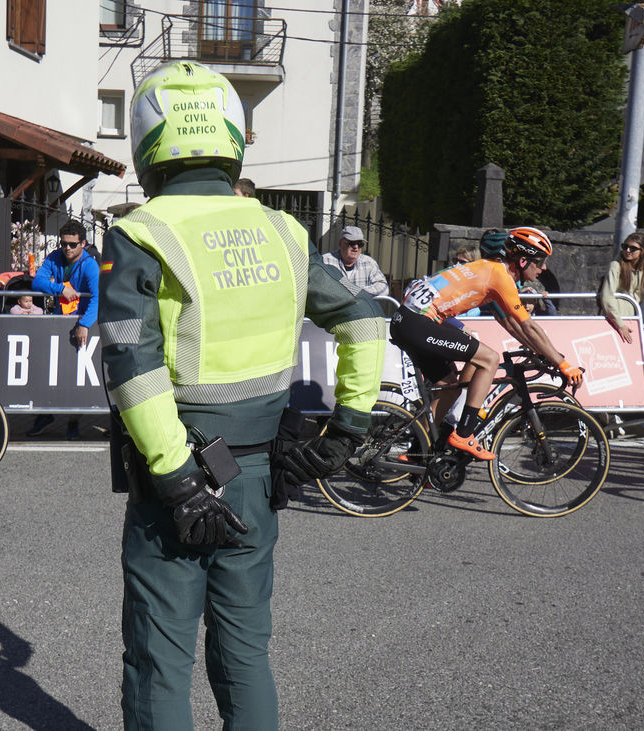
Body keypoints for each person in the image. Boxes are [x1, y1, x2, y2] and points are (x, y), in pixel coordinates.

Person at [99, 61, 385, 730]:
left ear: (149, 144)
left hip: (176, 478)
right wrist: (343, 432)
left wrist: (175, 478)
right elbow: (366, 318)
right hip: (257, 473)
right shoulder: (284, 232)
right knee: (245, 650)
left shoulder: (142, 232)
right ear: (232, 138)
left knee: (158, 661)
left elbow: (129, 364)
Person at [390, 226, 583, 461]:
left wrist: (540, 352)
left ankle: (416, 452)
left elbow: (511, 325)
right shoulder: (500, 277)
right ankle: (464, 434)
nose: (543, 268)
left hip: (407, 321)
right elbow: (529, 326)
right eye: (539, 261)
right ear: (523, 261)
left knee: (449, 386)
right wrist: (562, 363)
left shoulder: (490, 271)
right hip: (418, 322)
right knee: (489, 359)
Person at [28, 219, 99, 441]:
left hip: (84, 324)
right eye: (63, 244)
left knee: (76, 376)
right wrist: (60, 289)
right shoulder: (55, 257)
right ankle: (45, 414)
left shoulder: (90, 265)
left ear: (83, 244)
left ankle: (73, 422)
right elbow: (37, 282)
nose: (67, 248)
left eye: (72, 244)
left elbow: (98, 298)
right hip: (61, 322)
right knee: (49, 370)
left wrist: (84, 324)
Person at [599, 232, 644, 343]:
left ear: (643, 251)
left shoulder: (641, 269)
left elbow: (637, 295)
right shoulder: (615, 266)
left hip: (630, 320)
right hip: (614, 321)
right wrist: (619, 324)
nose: (628, 250)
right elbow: (607, 297)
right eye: (625, 246)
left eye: (633, 248)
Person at [321, 224, 389, 297]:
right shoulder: (326, 261)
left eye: (360, 244)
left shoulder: (369, 263)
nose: (356, 247)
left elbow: (384, 288)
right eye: (352, 243)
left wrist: (356, 291)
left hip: (360, 307)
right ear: (340, 244)